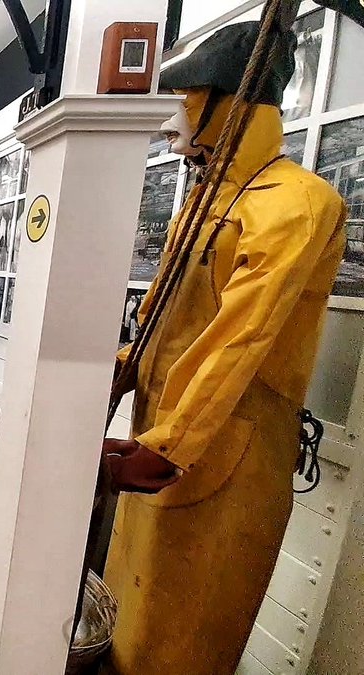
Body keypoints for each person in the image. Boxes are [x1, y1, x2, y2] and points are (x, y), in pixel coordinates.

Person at [100, 21, 346, 675]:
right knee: (122, 621)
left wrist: (170, 443)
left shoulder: (299, 204)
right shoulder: (203, 205)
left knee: (178, 646)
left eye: (183, 98)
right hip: (159, 442)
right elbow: (159, 312)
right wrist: (118, 374)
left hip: (219, 458)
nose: (169, 124)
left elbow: (242, 337)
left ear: (228, 102)